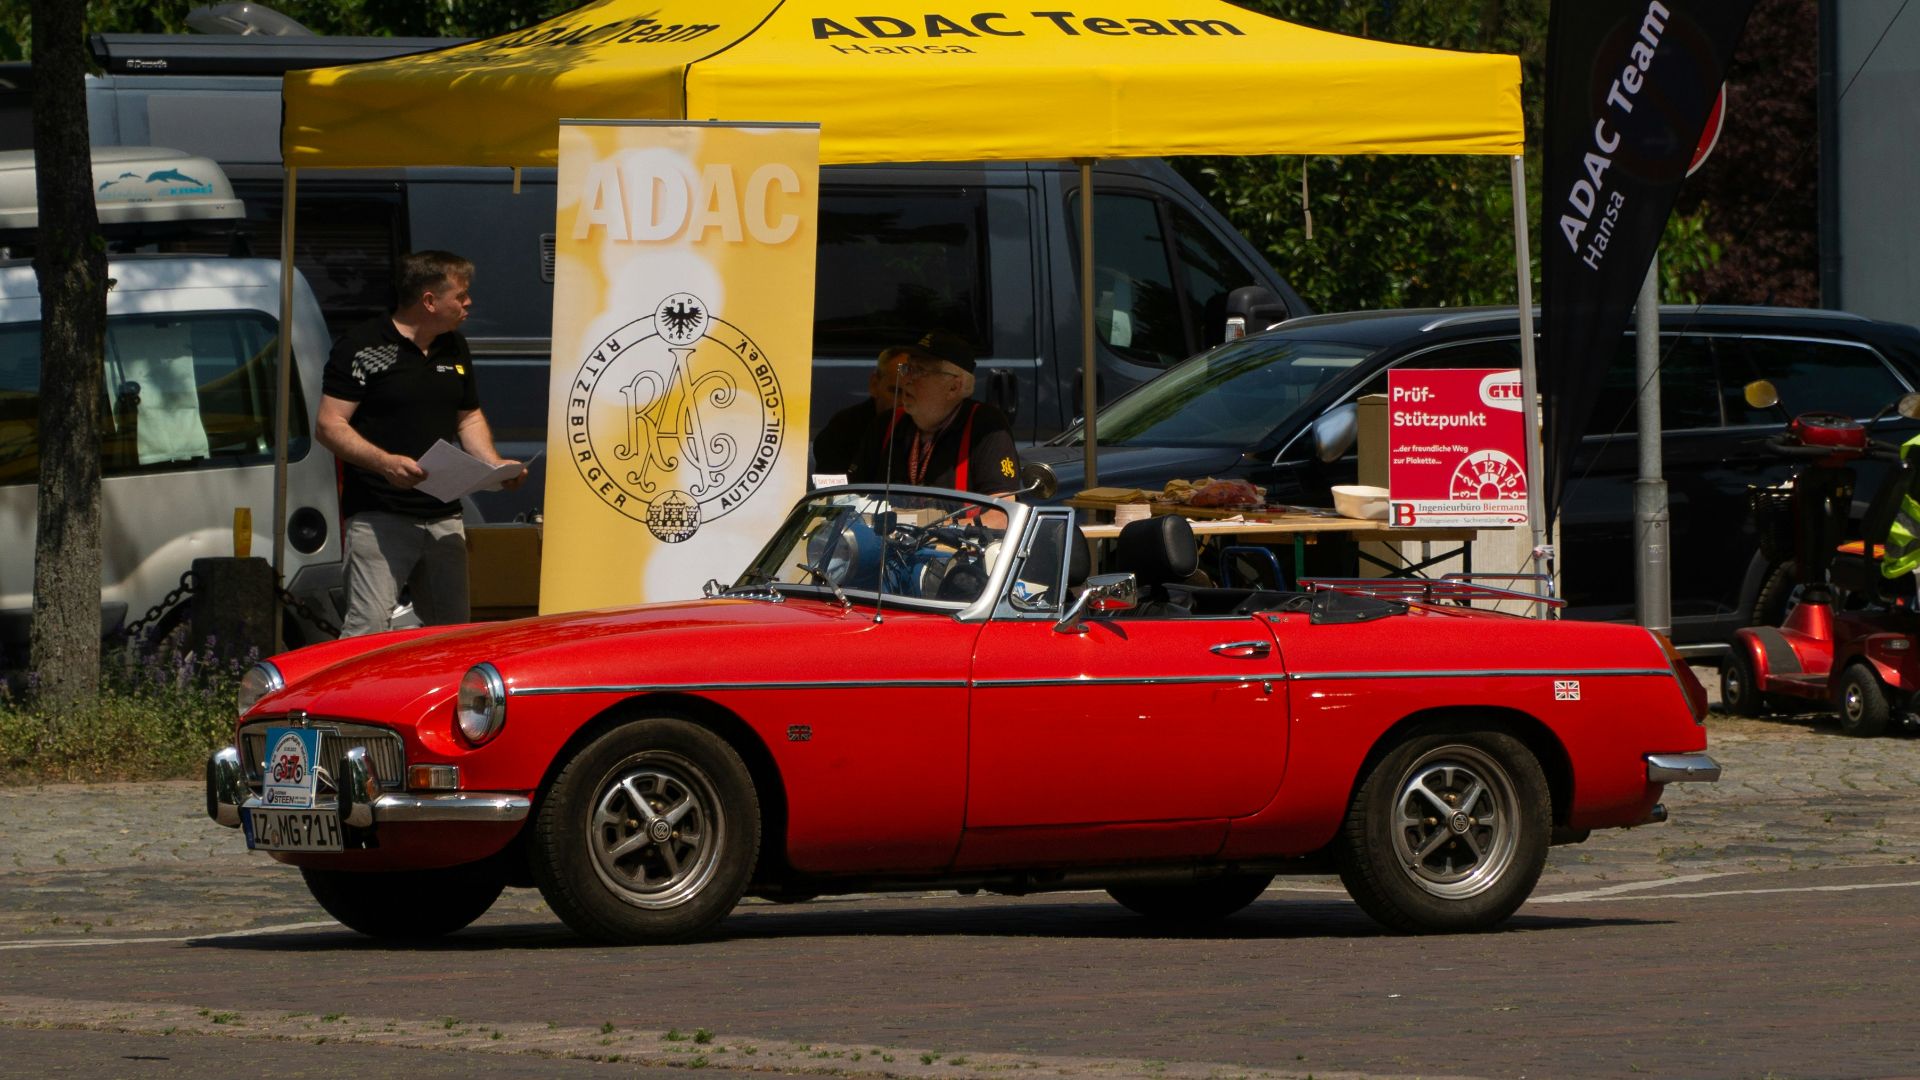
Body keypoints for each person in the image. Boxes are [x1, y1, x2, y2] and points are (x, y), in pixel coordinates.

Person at [316, 250, 523, 637]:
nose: (469, 303)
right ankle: (356, 699)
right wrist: (385, 463)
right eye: (461, 296)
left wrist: (494, 465)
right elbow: (329, 425)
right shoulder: (361, 346)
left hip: (444, 516)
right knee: (368, 630)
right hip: (381, 514)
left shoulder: (454, 346)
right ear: (429, 301)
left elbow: (469, 416)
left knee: (452, 634)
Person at [847, 331, 1019, 495]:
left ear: (953, 387)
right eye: (907, 368)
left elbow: (1000, 515)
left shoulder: (985, 426)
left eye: (919, 371)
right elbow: (852, 496)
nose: (906, 380)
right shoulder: (887, 424)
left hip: (952, 526)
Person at [811, 345, 910, 475]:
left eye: (911, 394)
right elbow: (831, 488)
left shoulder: (927, 432)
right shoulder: (844, 428)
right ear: (874, 384)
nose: (904, 402)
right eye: (895, 392)